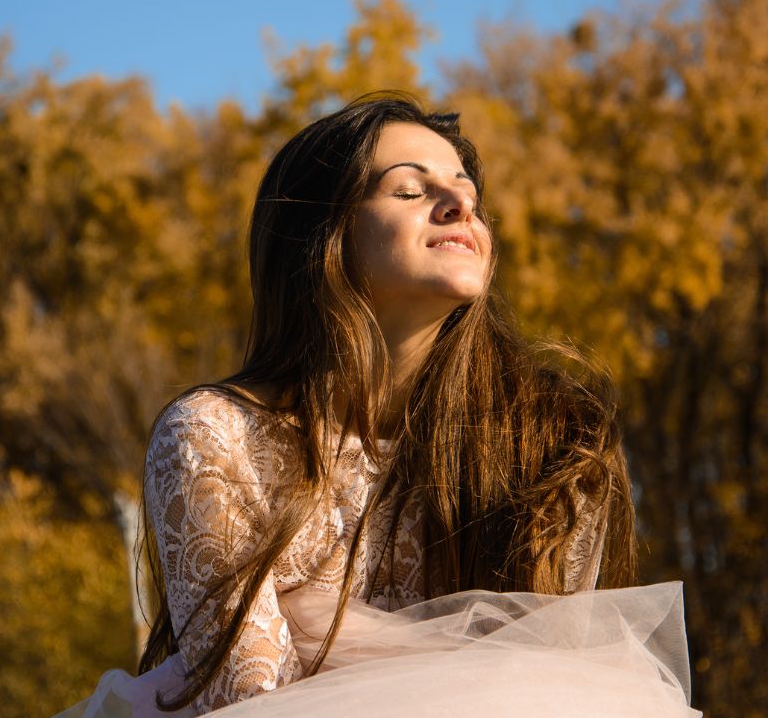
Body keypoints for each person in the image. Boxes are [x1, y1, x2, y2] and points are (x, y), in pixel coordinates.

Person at [60, 94, 698, 717]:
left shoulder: (555, 437)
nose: (461, 207)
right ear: (324, 235)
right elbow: (247, 702)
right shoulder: (215, 434)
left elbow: (550, 686)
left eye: (469, 195)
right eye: (411, 191)